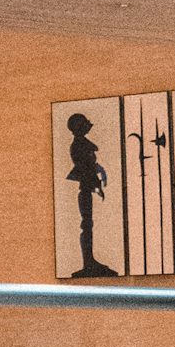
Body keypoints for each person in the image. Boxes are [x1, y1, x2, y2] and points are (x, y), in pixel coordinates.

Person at [64, 112, 118, 276]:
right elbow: (85, 168)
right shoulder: (79, 145)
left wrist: (99, 171)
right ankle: (88, 262)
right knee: (86, 224)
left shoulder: (81, 144)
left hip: (87, 189)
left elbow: (90, 165)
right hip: (85, 190)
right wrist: (96, 186)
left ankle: (90, 260)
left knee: (87, 224)